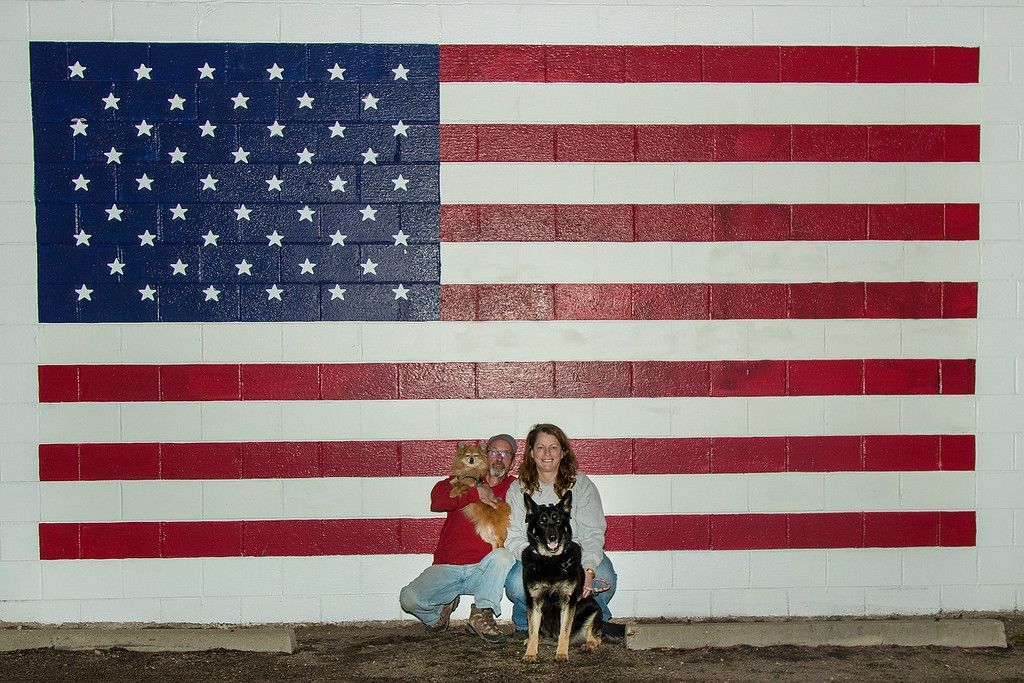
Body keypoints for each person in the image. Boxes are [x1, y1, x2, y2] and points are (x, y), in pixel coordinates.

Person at [503, 423, 626, 640]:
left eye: (553, 447)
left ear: (563, 452)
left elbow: (593, 532)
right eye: (540, 447)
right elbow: (513, 537)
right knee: (515, 584)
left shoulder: (582, 485)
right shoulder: (518, 489)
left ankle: (596, 624)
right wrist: (539, 557)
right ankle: (526, 625)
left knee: (604, 576)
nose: (547, 454)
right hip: (537, 555)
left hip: (574, 556)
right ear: (531, 453)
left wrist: (588, 570)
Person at [399, 434, 518, 644]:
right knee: (409, 599)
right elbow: (437, 501)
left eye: (505, 454)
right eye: (493, 452)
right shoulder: (460, 479)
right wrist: (475, 493)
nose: (498, 458)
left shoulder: (515, 488)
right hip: (448, 566)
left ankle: (482, 613)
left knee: (503, 556)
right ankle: (438, 617)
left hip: (483, 571)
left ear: (512, 461)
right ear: (484, 456)